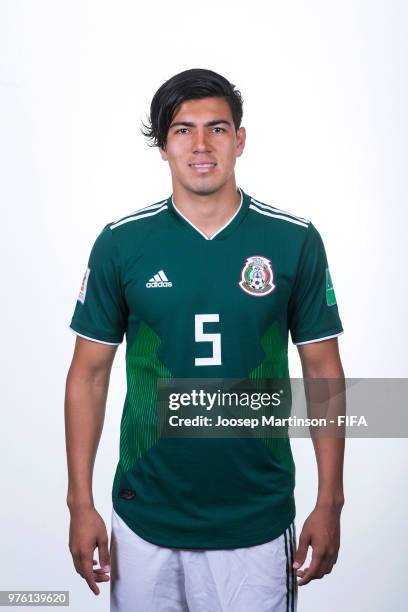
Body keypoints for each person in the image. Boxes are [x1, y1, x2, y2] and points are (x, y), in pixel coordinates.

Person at [65, 68, 345, 612]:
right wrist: (80, 501)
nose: (200, 145)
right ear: (163, 146)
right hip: (145, 515)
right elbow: (88, 374)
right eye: (182, 130)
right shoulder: (122, 244)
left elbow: (324, 372)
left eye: (217, 129)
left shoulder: (293, 241)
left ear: (239, 140)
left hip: (256, 518)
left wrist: (330, 500)